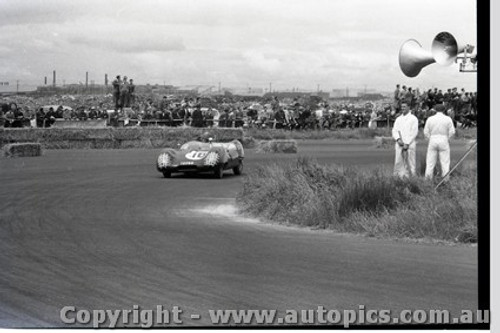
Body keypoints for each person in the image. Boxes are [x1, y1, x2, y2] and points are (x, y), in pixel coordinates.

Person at [423, 104, 456, 180]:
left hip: (433, 138)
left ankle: (428, 179)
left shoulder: (430, 119)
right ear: (444, 110)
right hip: (444, 138)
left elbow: (425, 132)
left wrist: (429, 138)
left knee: (430, 163)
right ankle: (445, 180)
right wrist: (448, 138)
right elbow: (452, 131)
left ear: (435, 110)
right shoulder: (447, 119)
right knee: (445, 162)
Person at [392, 102, 419, 177]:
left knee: (410, 163)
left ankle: (411, 178)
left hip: (409, 144)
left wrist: (407, 143)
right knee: (398, 162)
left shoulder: (413, 118)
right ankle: (398, 178)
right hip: (399, 143)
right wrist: (398, 139)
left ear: (409, 107)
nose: (402, 108)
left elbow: (414, 132)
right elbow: (395, 130)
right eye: (402, 107)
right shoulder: (398, 119)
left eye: (404, 106)